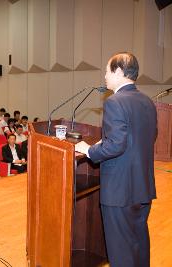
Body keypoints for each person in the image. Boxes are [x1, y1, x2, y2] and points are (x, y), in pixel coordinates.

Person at [75, 52, 157, 267]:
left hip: (119, 191)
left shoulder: (115, 102)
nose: (104, 76)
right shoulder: (147, 102)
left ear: (119, 71)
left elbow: (117, 144)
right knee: (138, 244)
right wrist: (104, 143)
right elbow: (142, 138)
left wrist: (90, 150)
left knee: (120, 252)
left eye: (107, 70)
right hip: (142, 187)